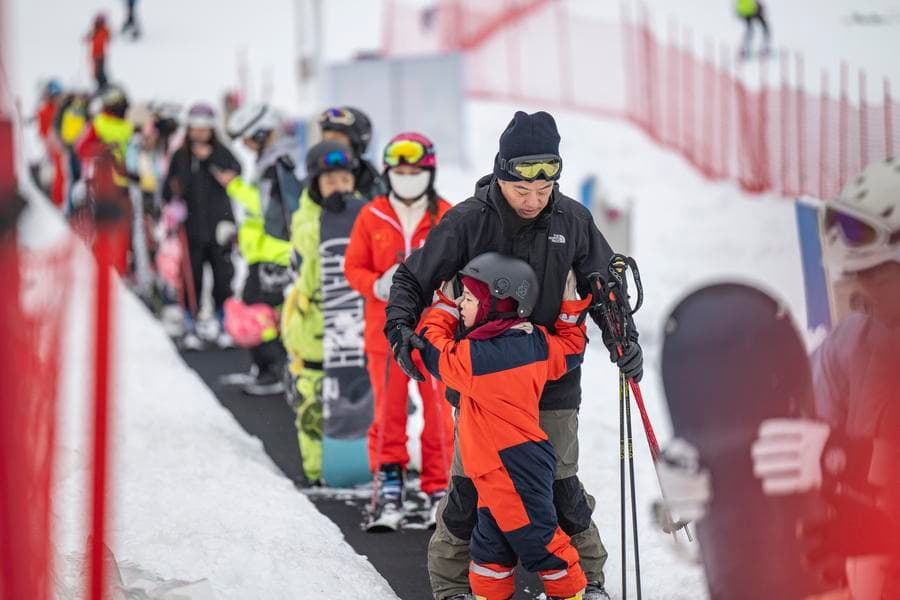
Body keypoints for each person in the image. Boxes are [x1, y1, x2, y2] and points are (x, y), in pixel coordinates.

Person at [385, 111, 644, 600]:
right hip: (481, 383)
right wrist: (401, 329)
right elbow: (412, 280)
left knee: (562, 487)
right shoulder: (467, 221)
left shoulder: (572, 219)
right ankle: (452, 585)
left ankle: (587, 582)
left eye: (544, 189)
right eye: (522, 189)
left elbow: (603, 285)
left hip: (552, 376)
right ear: (502, 173)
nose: (533, 199)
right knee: (469, 489)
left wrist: (621, 338)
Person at [751, 158, 900, 598]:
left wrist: (851, 460)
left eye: (870, 273)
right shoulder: (861, 337)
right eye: (849, 272)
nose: (855, 290)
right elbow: (798, 430)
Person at [417, 253, 590, 600]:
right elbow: (571, 350)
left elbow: (432, 350)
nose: (464, 304)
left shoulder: (477, 360)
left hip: (512, 466)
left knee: (543, 544)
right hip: (505, 464)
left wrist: (444, 307)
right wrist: (569, 310)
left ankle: (572, 594)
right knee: (489, 550)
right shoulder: (534, 343)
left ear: (495, 302)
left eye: (469, 298)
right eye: (462, 297)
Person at [344, 132, 453, 527]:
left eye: (415, 171)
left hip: (436, 334)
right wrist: (376, 283)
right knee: (389, 412)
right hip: (384, 333)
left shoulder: (446, 215)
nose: (407, 178)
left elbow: (464, 268)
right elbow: (352, 266)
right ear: (389, 173)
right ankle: (390, 479)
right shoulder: (372, 214)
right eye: (400, 171)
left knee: (440, 411)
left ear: (429, 172)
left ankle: (438, 485)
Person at [280, 140, 363, 484]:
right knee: (314, 397)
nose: (339, 188)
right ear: (315, 184)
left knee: (355, 393)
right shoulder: (306, 217)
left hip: (350, 321)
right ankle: (316, 471)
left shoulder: (360, 211)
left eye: (345, 180)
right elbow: (307, 244)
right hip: (313, 322)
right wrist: (334, 215)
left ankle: (355, 462)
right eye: (330, 182)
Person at [215, 104, 293, 395]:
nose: (245, 147)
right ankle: (272, 369)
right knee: (267, 313)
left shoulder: (278, 164)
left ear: (261, 133)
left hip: (274, 254)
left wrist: (233, 186)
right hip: (263, 253)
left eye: (247, 139)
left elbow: (266, 207)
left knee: (258, 313)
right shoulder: (270, 161)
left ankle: (274, 370)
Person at [163, 102, 240, 349]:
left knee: (223, 275)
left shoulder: (222, 152)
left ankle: (222, 318)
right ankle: (190, 321)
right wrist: (174, 204)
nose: (199, 135)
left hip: (219, 226)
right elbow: (167, 188)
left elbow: (236, 173)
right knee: (191, 275)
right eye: (195, 129)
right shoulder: (180, 156)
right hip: (191, 228)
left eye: (204, 130)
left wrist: (212, 161)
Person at [318, 106, 386, 200]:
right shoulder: (312, 184)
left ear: (356, 144)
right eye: (325, 140)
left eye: (336, 140)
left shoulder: (377, 186)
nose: (329, 147)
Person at [87, 13, 111, 90]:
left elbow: (100, 40)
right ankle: (101, 86)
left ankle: (104, 86)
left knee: (100, 72)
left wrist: (93, 35)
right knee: (96, 72)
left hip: (100, 55)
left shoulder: (103, 31)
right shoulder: (96, 31)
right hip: (95, 55)